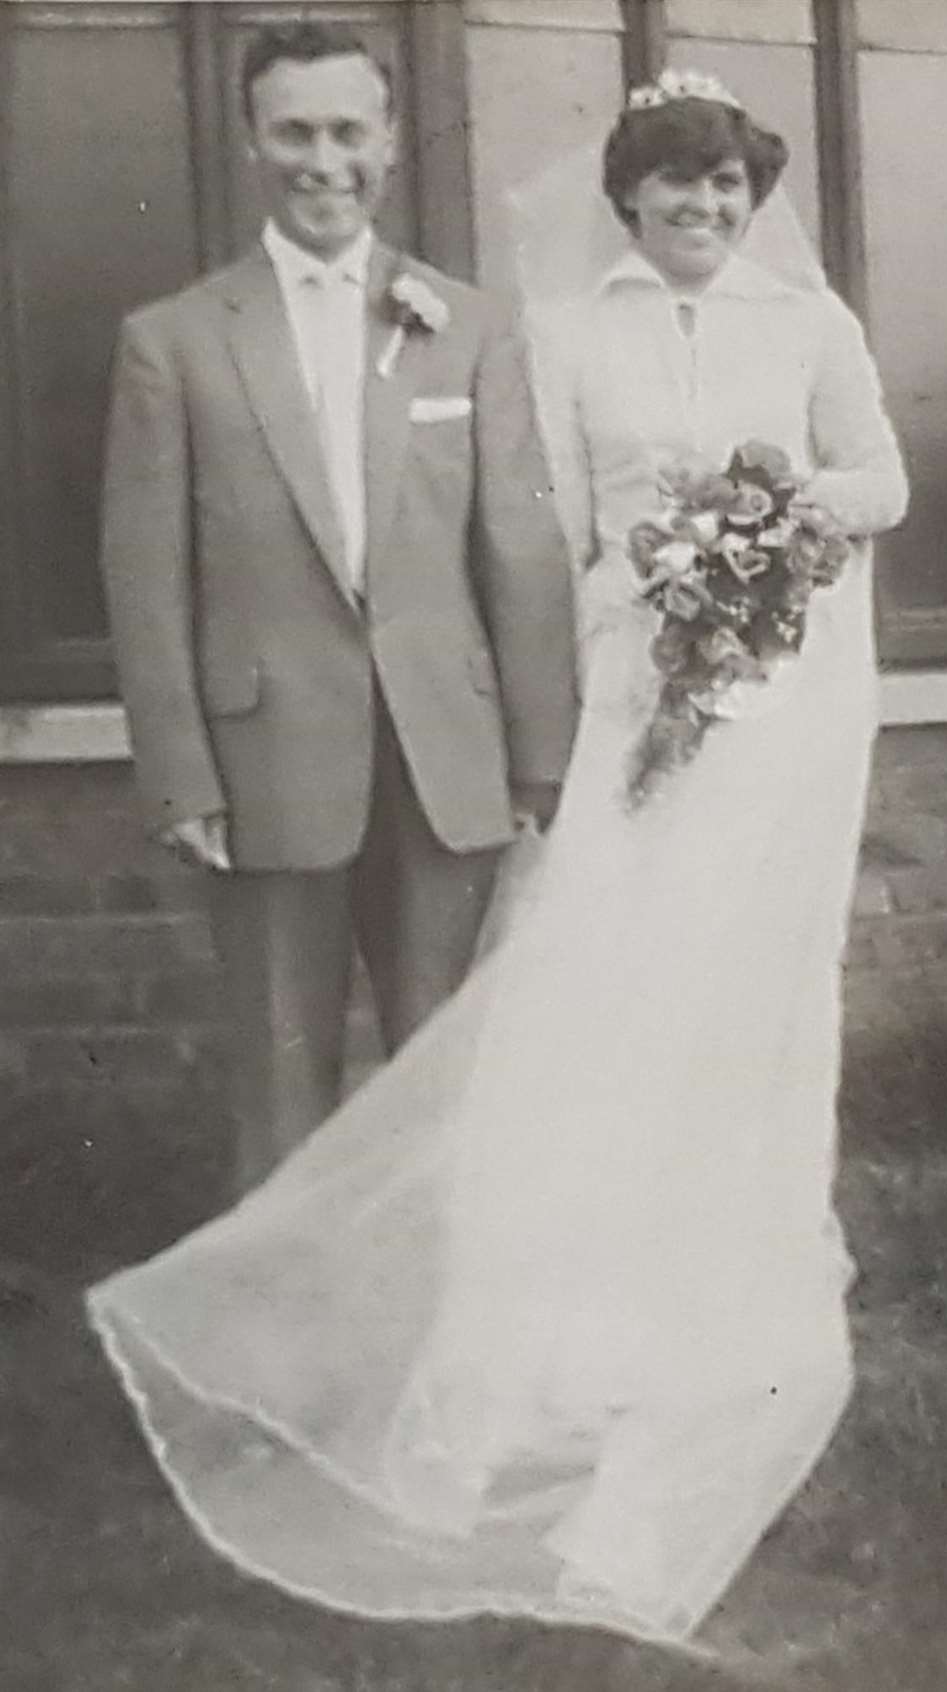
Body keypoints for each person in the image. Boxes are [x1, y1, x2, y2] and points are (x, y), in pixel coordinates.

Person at [89, 72, 908, 1647]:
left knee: (685, 1012)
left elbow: (859, 480)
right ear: (628, 195)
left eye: (726, 186)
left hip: (726, 710)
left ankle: (654, 1315)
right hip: (589, 700)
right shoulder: (530, 328)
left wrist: (764, 518)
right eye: (674, 183)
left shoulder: (782, 326)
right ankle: (291, 1381)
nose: (703, 208)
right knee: (516, 1024)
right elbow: (529, 532)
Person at [99, 21, 578, 1192]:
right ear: (255, 143)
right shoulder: (173, 342)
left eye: (349, 131)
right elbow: (145, 572)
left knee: (445, 1064)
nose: (325, 161)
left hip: (444, 755)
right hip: (266, 757)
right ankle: (284, 1329)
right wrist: (180, 772)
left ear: (392, 142)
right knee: (281, 1066)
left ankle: (436, 1314)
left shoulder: (464, 325)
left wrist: (539, 757)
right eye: (296, 132)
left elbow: (517, 545)